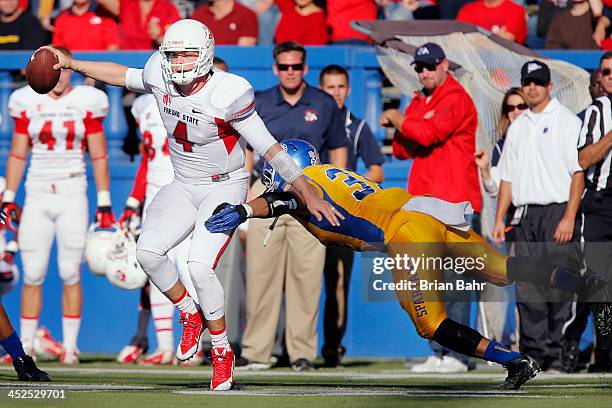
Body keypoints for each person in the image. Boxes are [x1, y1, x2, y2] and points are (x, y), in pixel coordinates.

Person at [45, 19, 339, 391]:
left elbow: (269, 146)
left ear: (206, 53)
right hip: (183, 184)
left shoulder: (228, 92)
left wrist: (305, 189)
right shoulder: (159, 72)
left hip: (224, 186)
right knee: (148, 252)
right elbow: (123, 75)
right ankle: (189, 312)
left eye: (186, 53)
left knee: (200, 266)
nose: (179, 62)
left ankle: (220, 351)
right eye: (172, 53)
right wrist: (74, 65)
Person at [205, 139, 603, 390]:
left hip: (406, 229)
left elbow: (286, 201)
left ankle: (514, 360)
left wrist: (243, 210)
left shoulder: (304, 185)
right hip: (425, 208)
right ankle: (581, 283)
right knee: (501, 268)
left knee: (429, 323)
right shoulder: (331, 172)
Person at [238, 41, 347, 372]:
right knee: (260, 273)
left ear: (304, 68)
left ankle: (302, 352)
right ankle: (257, 351)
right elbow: (247, 153)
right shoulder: (260, 102)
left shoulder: (324, 103)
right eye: (284, 67)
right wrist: (244, 201)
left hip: (310, 193)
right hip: (266, 188)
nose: (290, 72)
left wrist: (335, 195)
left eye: (296, 67)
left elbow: (338, 151)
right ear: (275, 68)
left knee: (307, 274)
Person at [2, 46, 113, 365]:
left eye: (63, 69)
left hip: (72, 188)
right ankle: (25, 346)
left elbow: (99, 154)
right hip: (37, 190)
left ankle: (70, 346)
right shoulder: (26, 100)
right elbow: (18, 153)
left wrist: (104, 199)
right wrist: (9, 197)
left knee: (69, 271)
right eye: (53, 69)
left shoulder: (85, 102)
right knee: (33, 273)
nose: (59, 76)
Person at [380, 42, 481, 373]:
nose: (424, 72)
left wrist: (397, 117)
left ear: (444, 64)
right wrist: (402, 125)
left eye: (430, 66)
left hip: (455, 202)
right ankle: (438, 351)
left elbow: (427, 134)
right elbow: (401, 149)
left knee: (457, 283)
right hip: (425, 204)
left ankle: (459, 355)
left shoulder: (455, 97)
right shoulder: (421, 100)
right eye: (420, 68)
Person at [493, 60, 585, 372]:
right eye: (527, 82)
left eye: (537, 82)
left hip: (556, 211)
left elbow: (577, 173)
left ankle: (558, 355)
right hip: (525, 216)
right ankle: (534, 355)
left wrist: (569, 216)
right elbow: (506, 177)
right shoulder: (518, 126)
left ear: (549, 86)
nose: (531, 87)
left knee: (558, 287)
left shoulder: (566, 121)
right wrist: (498, 218)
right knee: (528, 288)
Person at [318, 63, 384, 367]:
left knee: (337, 282)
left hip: (339, 217)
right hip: (305, 211)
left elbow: (377, 169)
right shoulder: (312, 120)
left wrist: (349, 183)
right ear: (321, 89)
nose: (336, 93)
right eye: (330, 87)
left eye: (340, 86)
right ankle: (283, 348)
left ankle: (333, 347)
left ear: (349, 89)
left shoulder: (356, 127)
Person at [565, 51, 612, 372]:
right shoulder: (598, 111)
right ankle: (596, 348)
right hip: (601, 204)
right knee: (597, 281)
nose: (610, 78)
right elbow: (583, 160)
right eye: (607, 72)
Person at [474, 88, 527, 347]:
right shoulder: (500, 144)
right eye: (511, 108)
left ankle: (551, 345)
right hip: (517, 219)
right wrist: (485, 171)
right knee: (522, 284)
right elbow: (495, 189)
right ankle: (521, 341)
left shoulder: (544, 136)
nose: (516, 112)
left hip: (549, 214)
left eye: (521, 106)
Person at [96, 0, 181, 49]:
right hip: (126, 63)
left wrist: (160, 37)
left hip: (156, 63)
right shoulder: (127, 4)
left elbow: (178, 43)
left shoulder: (168, 8)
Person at [51, 0, 120, 50]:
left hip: (98, 66)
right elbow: (58, 48)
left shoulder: (104, 15)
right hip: (71, 66)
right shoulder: (62, 18)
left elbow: (113, 47)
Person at [456, 0, 528, 44]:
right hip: (471, 60)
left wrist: (473, 38)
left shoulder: (516, 10)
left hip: (504, 63)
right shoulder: (467, 9)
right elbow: (458, 39)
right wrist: (495, 37)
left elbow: (506, 42)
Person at [191, 0, 258, 46]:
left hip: (233, 65)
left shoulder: (247, 15)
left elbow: (243, 53)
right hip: (205, 64)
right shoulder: (198, 15)